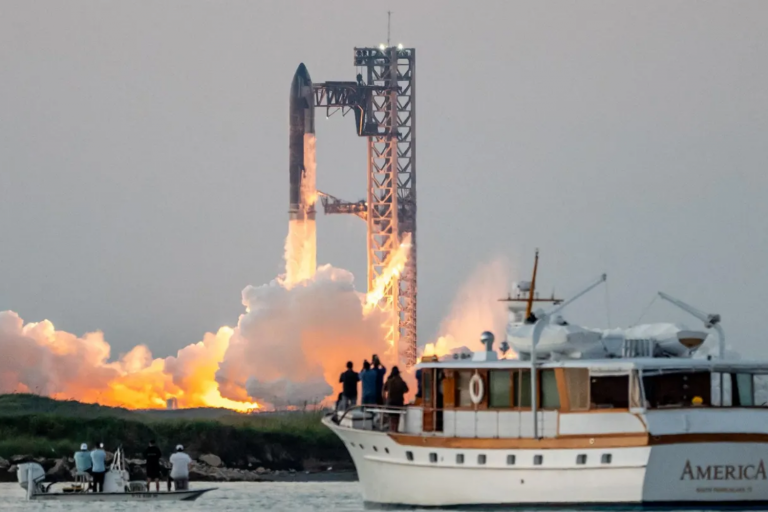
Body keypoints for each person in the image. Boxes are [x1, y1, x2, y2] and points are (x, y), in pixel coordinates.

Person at [384, 366, 409, 431]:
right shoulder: (401, 381)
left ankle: (391, 430)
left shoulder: (389, 381)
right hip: (399, 402)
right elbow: (406, 390)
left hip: (390, 402)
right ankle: (395, 430)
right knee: (397, 417)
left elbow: (384, 389)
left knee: (391, 417)